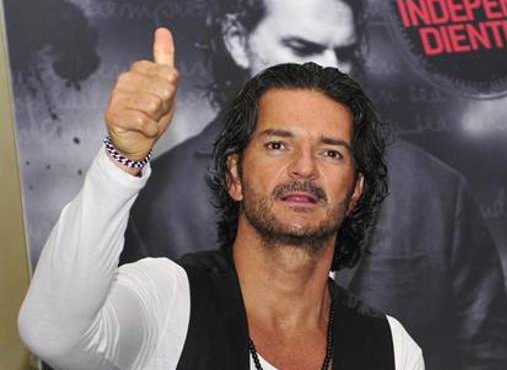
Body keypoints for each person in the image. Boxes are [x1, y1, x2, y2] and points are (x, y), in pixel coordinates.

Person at [121, 0, 507, 368]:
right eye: (303, 46)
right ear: (237, 39)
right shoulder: (158, 200)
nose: (332, 68)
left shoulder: (436, 191)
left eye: (344, 51)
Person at [18, 29, 424, 369]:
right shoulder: (168, 298)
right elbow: (53, 334)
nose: (304, 168)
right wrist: (122, 158)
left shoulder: (391, 348)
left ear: (355, 191)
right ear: (234, 176)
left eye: (331, 152)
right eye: (277, 145)